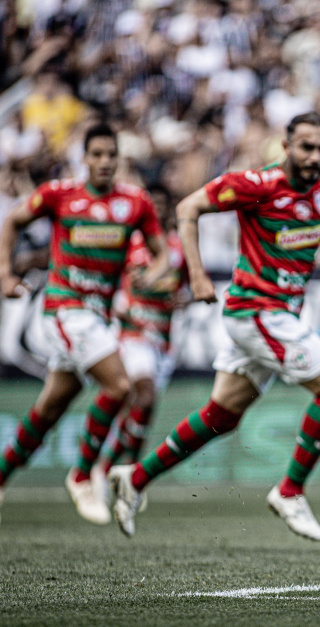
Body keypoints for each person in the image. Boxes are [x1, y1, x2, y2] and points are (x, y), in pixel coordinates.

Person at [108, 112, 320, 542]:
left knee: (220, 416)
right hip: (257, 313)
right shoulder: (257, 185)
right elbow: (189, 208)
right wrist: (200, 276)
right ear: (286, 146)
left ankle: (135, 478)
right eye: (306, 147)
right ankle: (289, 491)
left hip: (278, 316)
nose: (315, 157)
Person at [0, 122, 169, 526]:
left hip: (97, 315)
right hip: (64, 308)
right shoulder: (61, 195)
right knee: (120, 385)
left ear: (119, 159)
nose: (105, 162)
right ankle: (82, 475)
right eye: (97, 155)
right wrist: (5, 273)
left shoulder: (136, 202)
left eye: (112, 155)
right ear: (84, 158)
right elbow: (12, 221)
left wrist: (152, 272)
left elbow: (161, 252)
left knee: (50, 409)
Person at [93, 185, 188, 494]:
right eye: (154, 205)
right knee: (143, 396)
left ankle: (123, 474)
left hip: (163, 339)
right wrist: (119, 309)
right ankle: (109, 469)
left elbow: (183, 291)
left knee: (142, 411)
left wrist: (183, 301)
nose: (159, 210)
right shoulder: (131, 241)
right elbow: (108, 279)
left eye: (164, 204)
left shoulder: (179, 248)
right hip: (133, 335)